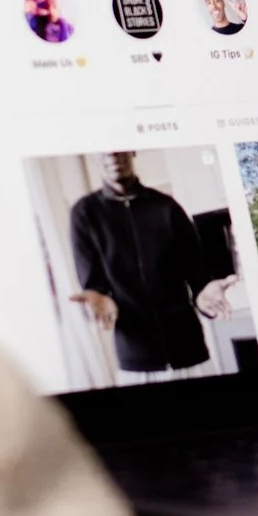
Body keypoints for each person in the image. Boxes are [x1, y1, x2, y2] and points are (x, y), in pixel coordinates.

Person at [67, 151, 236, 377]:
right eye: (103, 149)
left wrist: (203, 295)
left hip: (190, 353)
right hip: (135, 360)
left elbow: (199, 276)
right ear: (94, 155)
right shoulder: (84, 213)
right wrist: (99, 299)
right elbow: (94, 286)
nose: (112, 154)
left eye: (117, 146)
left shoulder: (168, 207)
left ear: (132, 150)